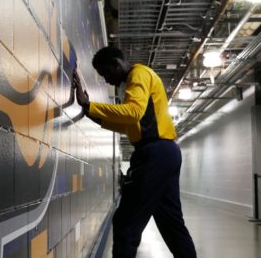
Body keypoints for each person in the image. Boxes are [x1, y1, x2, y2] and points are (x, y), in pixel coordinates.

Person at [73, 46, 197, 258]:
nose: (106, 80)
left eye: (106, 73)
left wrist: (91, 106)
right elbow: (129, 125)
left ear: (116, 63)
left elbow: (132, 113)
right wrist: (90, 112)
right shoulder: (139, 77)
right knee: (171, 223)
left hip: (155, 154)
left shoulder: (138, 74)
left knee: (125, 222)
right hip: (166, 153)